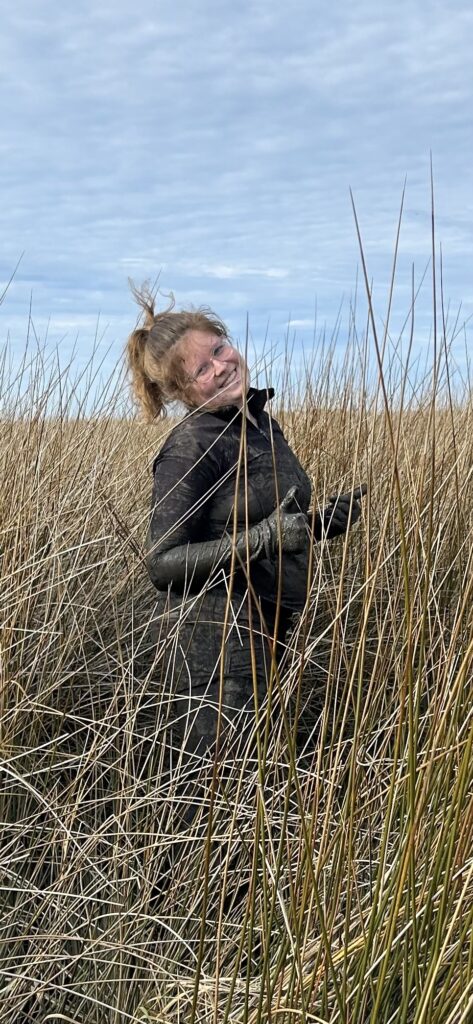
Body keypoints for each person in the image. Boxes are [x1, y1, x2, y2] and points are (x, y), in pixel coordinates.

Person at [126, 285, 364, 783]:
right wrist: (266, 538)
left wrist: (319, 525)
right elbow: (161, 562)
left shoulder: (258, 425)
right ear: (184, 392)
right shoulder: (191, 445)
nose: (220, 366)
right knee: (220, 794)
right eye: (201, 370)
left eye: (217, 349)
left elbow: (261, 520)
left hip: (270, 629)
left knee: (261, 784)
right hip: (216, 649)